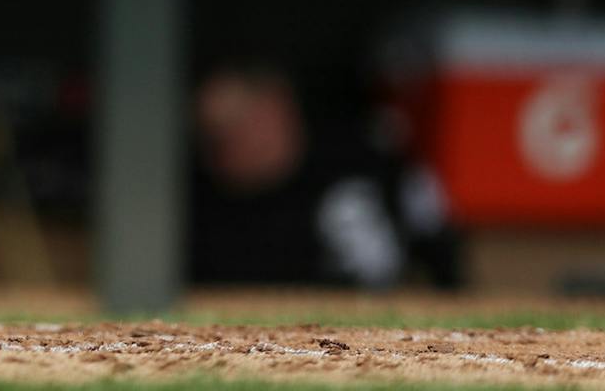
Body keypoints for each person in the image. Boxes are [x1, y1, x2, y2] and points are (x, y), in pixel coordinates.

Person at [190, 61, 460, 288]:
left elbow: (440, 247)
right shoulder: (209, 219)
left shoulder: (362, 155)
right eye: (216, 138)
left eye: (241, 123)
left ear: (277, 104)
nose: (231, 147)